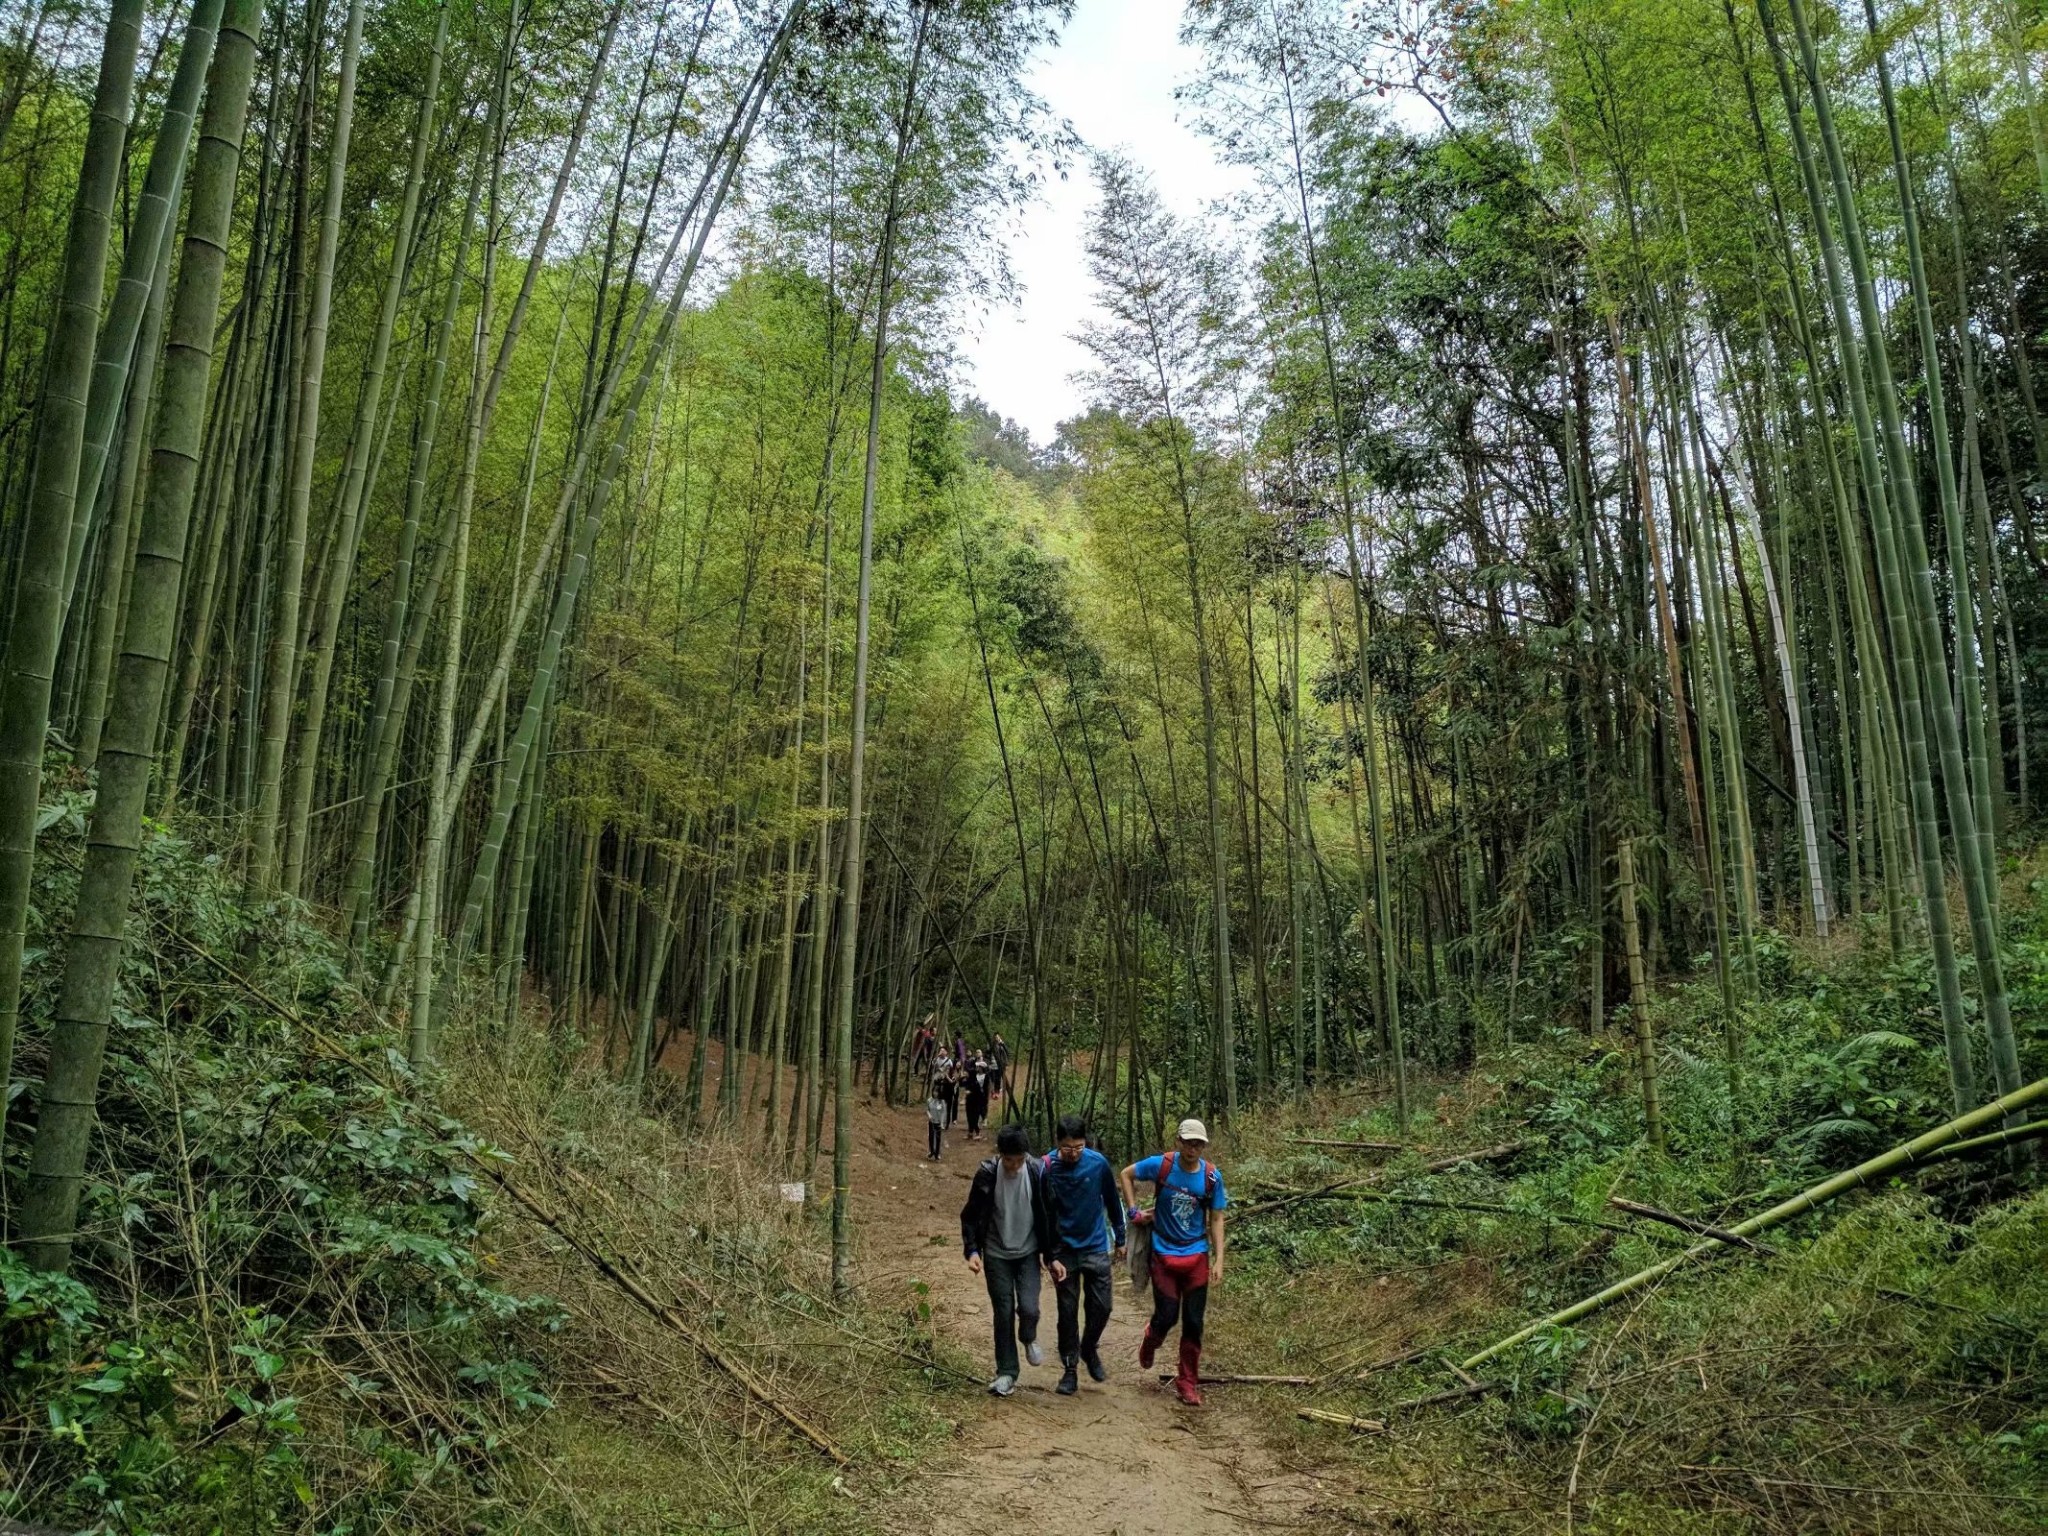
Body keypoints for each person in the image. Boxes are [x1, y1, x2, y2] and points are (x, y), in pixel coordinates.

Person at [1120, 1118, 1229, 1407]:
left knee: (1193, 1322)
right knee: (1167, 1316)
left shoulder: (1211, 1177)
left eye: (1198, 1144)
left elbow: (1217, 1218)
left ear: (1203, 1146)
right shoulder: (1162, 1165)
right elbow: (1126, 1174)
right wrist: (1133, 1211)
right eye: (1188, 1143)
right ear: (1178, 1142)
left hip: (1196, 1256)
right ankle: (1151, 1339)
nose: (1192, 1149)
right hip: (1163, 1254)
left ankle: (1187, 1382)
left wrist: (1219, 1259)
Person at [959, 1124, 1054, 1396]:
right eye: (1009, 1160)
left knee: (1029, 1308)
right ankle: (1007, 1372)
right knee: (1003, 1312)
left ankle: (1028, 1336)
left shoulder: (1037, 1172)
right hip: (996, 1252)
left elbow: (1050, 1215)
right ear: (1000, 1155)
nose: (1014, 1166)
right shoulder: (987, 1174)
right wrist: (972, 1251)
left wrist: (1051, 1255)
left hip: (1028, 1252)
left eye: (1019, 1160)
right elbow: (970, 1215)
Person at [1042, 1115, 1126, 1395]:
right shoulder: (1047, 1167)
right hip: (1063, 1250)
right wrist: (1047, 1252)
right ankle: (1070, 1370)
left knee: (1103, 1306)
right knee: (1067, 1312)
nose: (1073, 1153)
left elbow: (1113, 1201)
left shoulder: (1097, 1164)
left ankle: (1089, 1347)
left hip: (1095, 1245)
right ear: (1058, 1143)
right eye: (1067, 1147)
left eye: (1078, 1147)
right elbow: (1041, 1212)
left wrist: (1120, 1237)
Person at [963, 1053, 991, 1141]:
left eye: (979, 1067)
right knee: (969, 1115)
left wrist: (986, 1098)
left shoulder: (984, 1077)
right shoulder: (972, 1077)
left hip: (978, 1099)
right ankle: (970, 1132)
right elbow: (964, 1083)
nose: (977, 1068)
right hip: (970, 1099)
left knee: (975, 1116)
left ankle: (978, 1132)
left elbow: (986, 1088)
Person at [924, 1075, 948, 1161]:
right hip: (931, 1122)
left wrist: (941, 1123)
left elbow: (943, 1113)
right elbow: (927, 1109)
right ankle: (931, 1151)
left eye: (937, 1092)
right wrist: (929, 1115)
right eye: (934, 1091)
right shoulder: (929, 1100)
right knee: (931, 1137)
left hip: (938, 1123)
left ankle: (937, 1154)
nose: (935, 1093)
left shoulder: (942, 1102)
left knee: (938, 1138)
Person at [991, 1033, 1011, 1098]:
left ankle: (1003, 1091)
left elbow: (1007, 1053)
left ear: (999, 1038)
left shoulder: (1002, 1045)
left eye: (997, 1037)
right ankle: (996, 1091)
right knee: (996, 1078)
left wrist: (1006, 1064)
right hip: (995, 1064)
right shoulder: (993, 1045)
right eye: (995, 1037)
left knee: (1002, 1077)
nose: (996, 1038)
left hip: (1002, 1064)